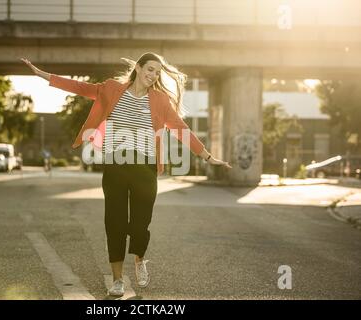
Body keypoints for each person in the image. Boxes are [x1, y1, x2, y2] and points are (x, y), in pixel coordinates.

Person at [21, 52, 232, 297]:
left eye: (157, 72)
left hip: (146, 168)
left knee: (140, 225)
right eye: (149, 69)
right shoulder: (112, 89)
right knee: (115, 223)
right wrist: (42, 74)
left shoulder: (160, 101)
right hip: (116, 166)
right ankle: (118, 280)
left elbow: (181, 129)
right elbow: (80, 87)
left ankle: (139, 259)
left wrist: (208, 156)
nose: (153, 75)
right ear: (138, 68)